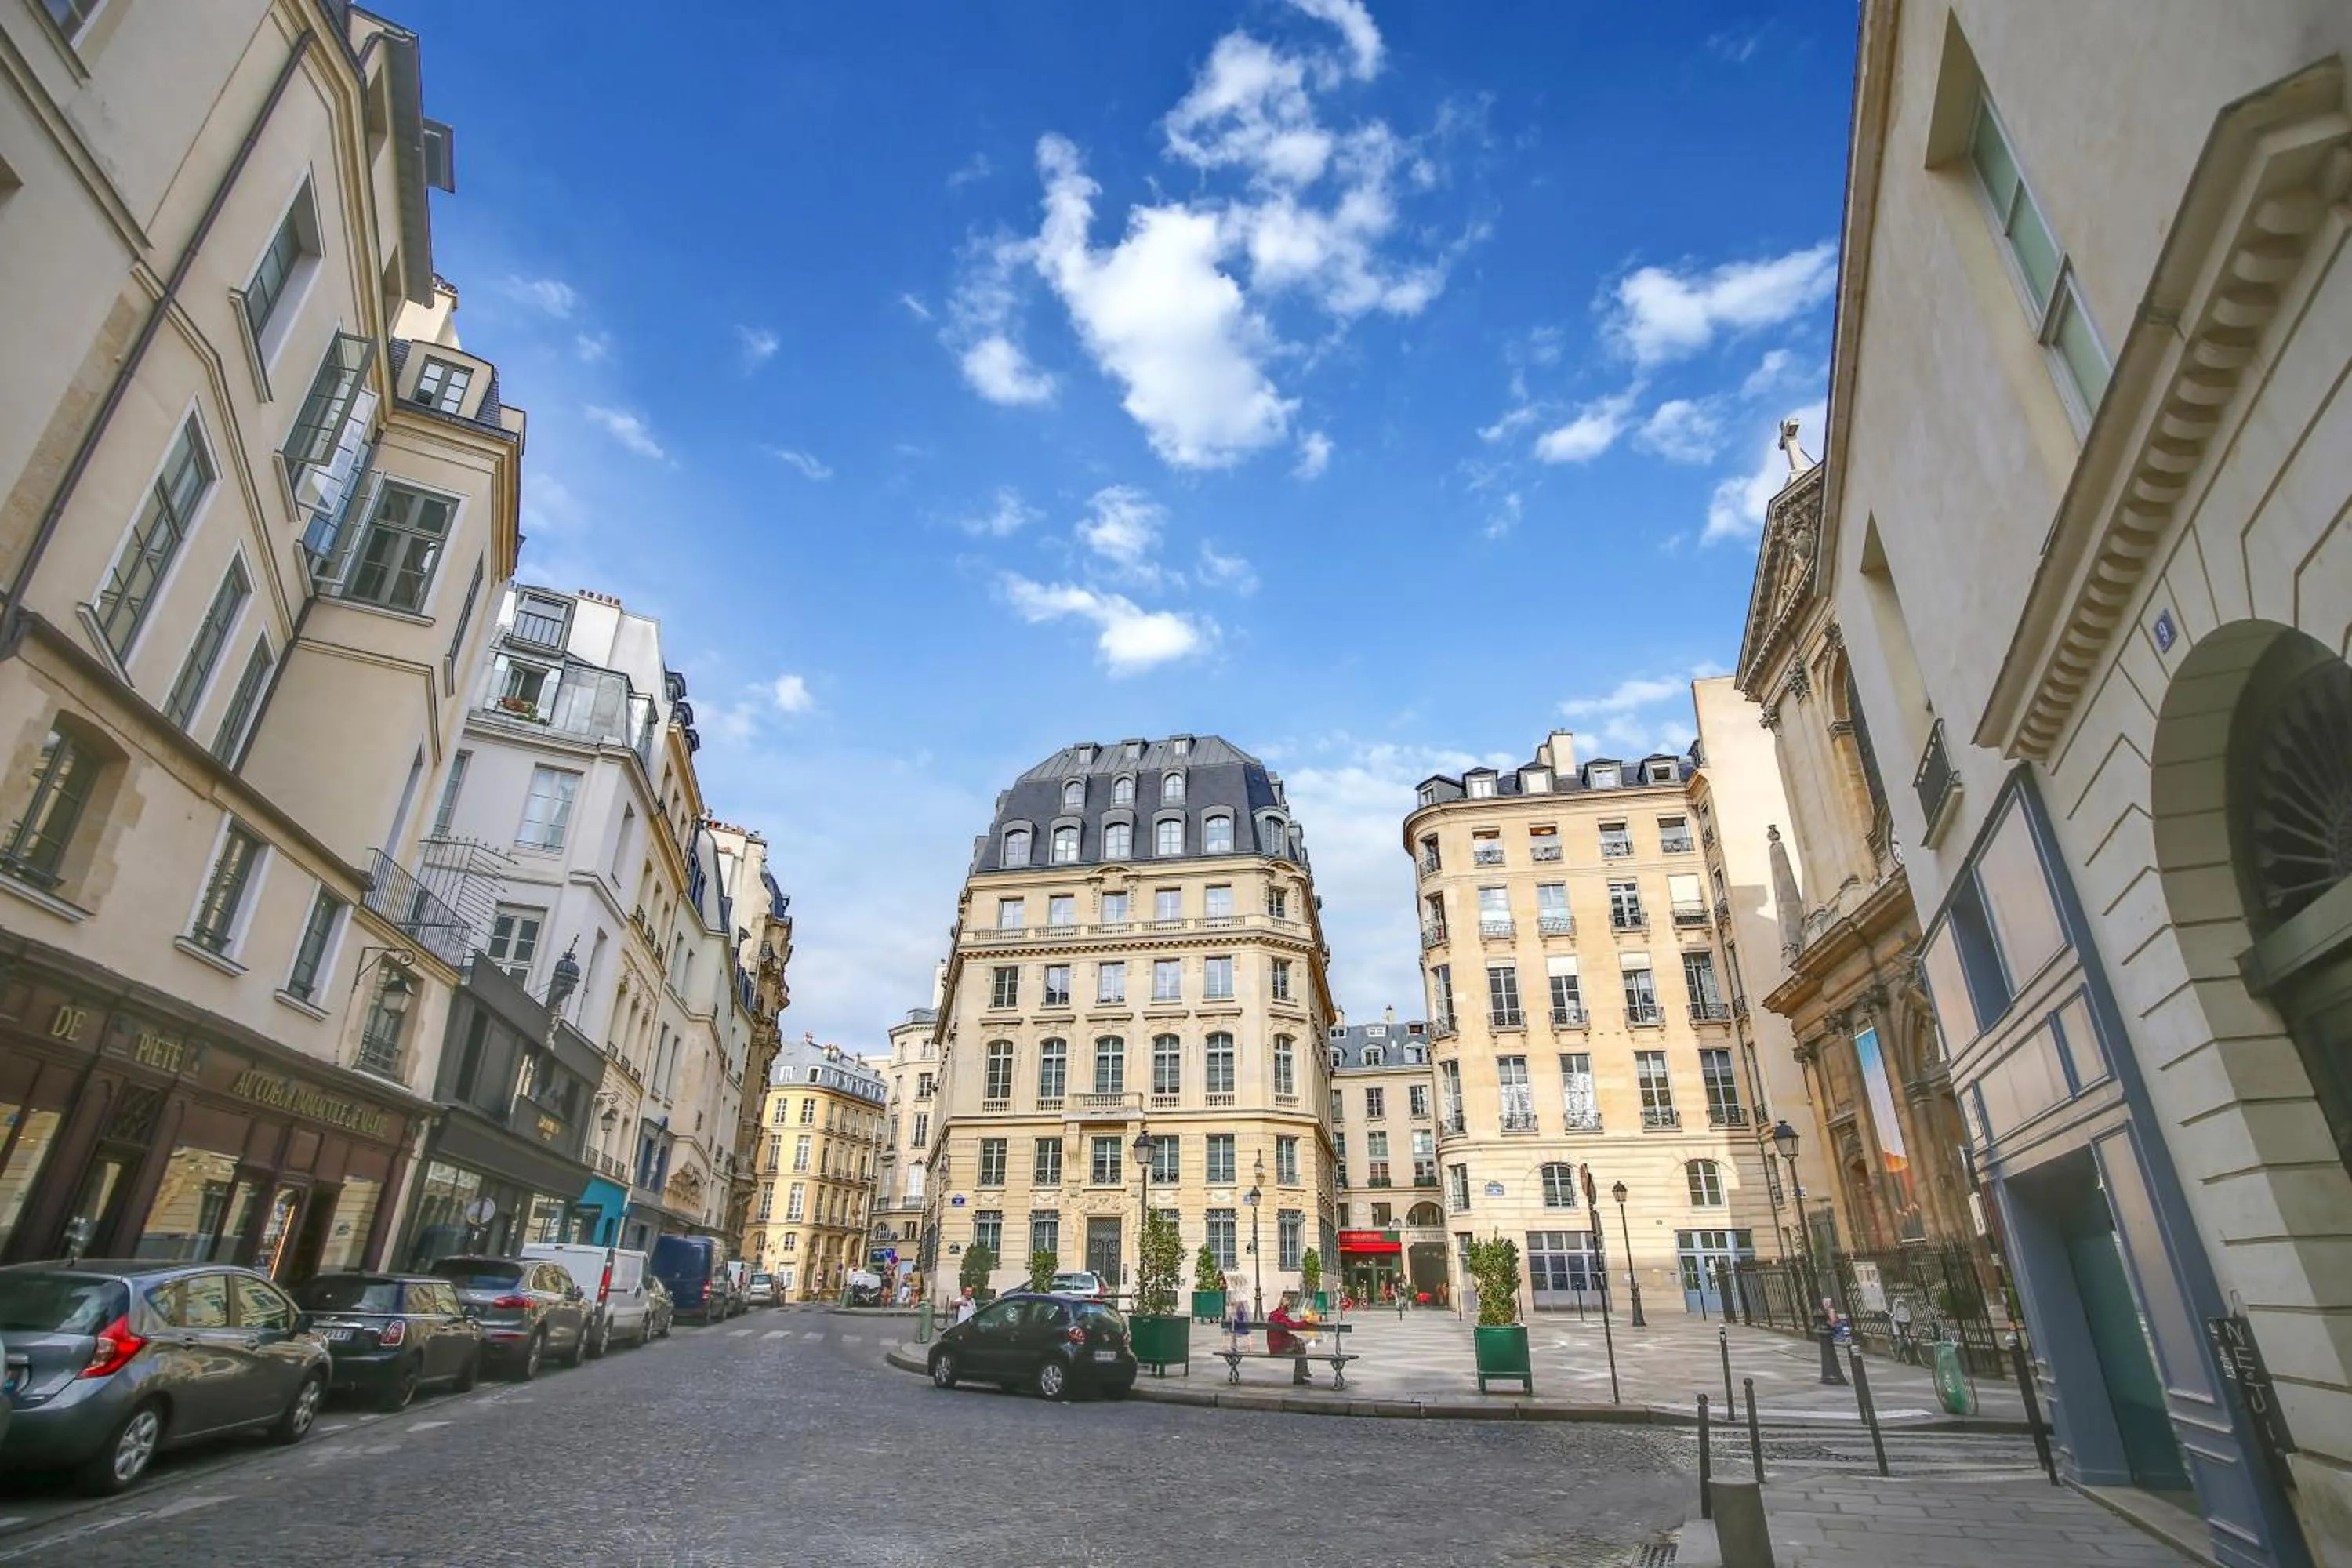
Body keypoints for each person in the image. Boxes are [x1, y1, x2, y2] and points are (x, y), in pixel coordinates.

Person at [1267, 1291, 1311, 1385]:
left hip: (1273, 1347)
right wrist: (1306, 1322)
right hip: (1279, 1348)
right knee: (1301, 1348)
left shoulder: (1273, 1315)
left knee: (1300, 1344)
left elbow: (1282, 1332)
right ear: (1286, 1307)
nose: (1289, 1310)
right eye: (1289, 1307)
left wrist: (1294, 1338)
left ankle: (1302, 1374)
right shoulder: (1281, 1316)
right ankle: (1300, 1376)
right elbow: (1293, 1326)